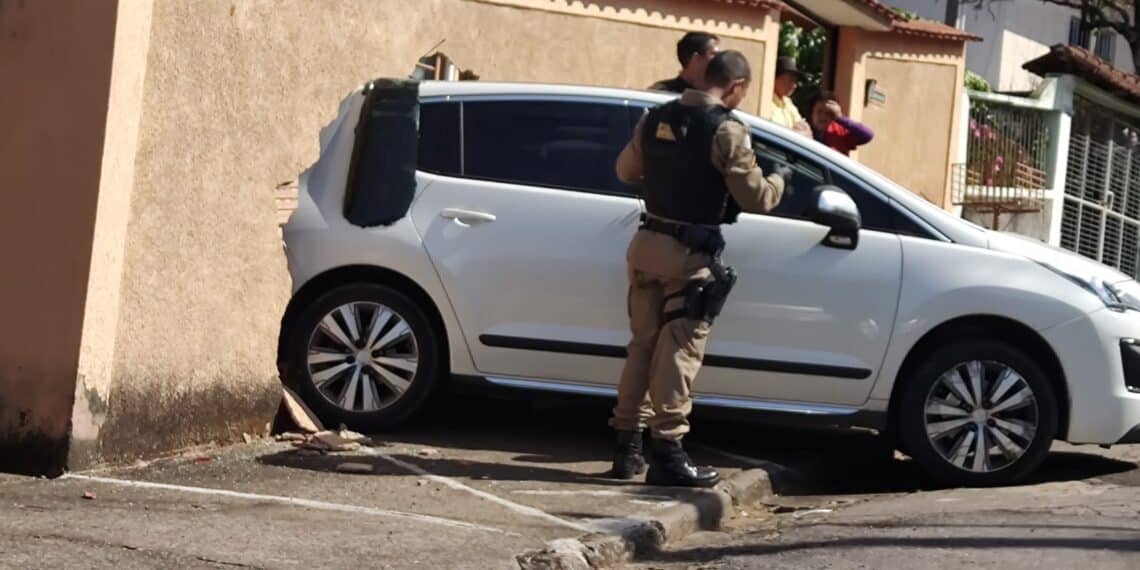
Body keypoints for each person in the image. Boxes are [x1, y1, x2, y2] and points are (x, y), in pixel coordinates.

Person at [609, 50, 793, 487]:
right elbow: (757, 199)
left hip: (646, 245)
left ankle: (626, 448)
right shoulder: (727, 129)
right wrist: (781, 178)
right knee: (678, 352)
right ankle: (669, 454)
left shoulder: (653, 119)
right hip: (688, 255)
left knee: (641, 347)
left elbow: (625, 170)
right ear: (736, 87)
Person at [648, 31, 720, 93]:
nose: (719, 59)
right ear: (696, 58)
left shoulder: (717, 95)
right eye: (714, 54)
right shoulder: (661, 92)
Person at [809, 90, 874, 155]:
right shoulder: (803, 130)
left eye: (828, 113)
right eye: (819, 111)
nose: (823, 117)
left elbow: (867, 135)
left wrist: (840, 117)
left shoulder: (840, 132)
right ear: (812, 113)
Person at [768, 56, 812, 137]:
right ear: (775, 78)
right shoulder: (766, 102)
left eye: (795, 81)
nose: (794, 85)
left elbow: (808, 133)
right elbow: (775, 133)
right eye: (790, 80)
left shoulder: (788, 103)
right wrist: (795, 132)